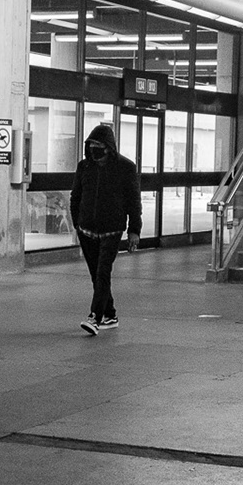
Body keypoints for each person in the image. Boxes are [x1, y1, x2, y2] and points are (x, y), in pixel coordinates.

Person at [69, 123, 142, 335]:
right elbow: (76, 196)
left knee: (103, 272)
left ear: (109, 148)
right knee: (96, 275)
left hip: (112, 230)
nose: (95, 151)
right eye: (91, 146)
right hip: (87, 230)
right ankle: (110, 314)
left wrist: (134, 230)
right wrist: (77, 223)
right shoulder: (84, 167)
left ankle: (95, 317)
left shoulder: (126, 168)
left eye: (99, 147)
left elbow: (133, 201)